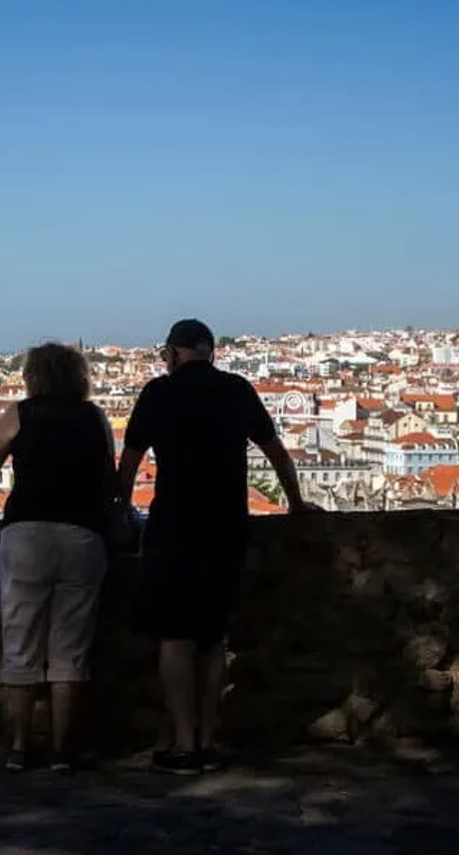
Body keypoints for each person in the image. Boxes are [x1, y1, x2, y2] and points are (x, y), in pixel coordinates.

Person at [116, 319, 315, 775]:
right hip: (227, 525)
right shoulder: (237, 390)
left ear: (175, 353)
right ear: (210, 352)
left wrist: (121, 511)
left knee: (175, 636)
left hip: (173, 525)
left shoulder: (158, 393)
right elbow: (277, 453)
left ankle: (184, 744)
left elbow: (128, 465)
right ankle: (207, 741)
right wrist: (296, 502)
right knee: (212, 637)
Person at [0, 342, 115, 772]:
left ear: (33, 376)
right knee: (70, 647)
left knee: (21, 640)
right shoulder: (94, 416)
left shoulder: (20, 414)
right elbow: (109, 478)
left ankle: (19, 746)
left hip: (26, 533)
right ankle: (62, 749)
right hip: (82, 533)